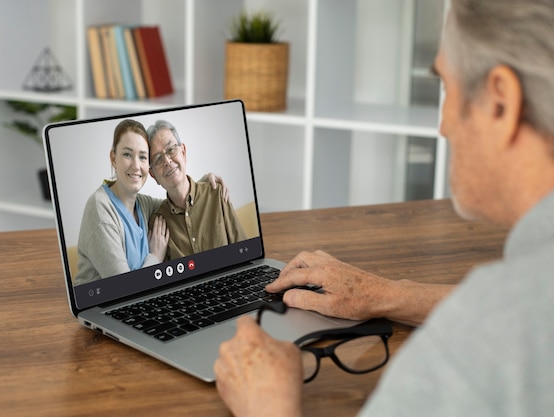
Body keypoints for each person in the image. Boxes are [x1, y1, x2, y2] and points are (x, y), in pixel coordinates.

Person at [214, 0, 554, 416]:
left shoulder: (478, 342)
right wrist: (388, 295)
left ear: (501, 102)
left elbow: (501, 316)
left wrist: (266, 404)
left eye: (446, 85)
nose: (443, 125)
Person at [75, 119, 227, 286]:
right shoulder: (100, 209)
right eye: (127, 154)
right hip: (103, 306)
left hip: (143, 302)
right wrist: (154, 257)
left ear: (149, 168)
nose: (136, 165)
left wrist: (201, 186)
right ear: (113, 158)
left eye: (143, 157)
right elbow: (124, 289)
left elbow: (177, 202)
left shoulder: (143, 205)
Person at [147, 120, 247, 261]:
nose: (167, 161)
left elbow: (244, 251)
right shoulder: (158, 223)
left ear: (183, 152)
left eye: (171, 150)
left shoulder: (216, 194)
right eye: (158, 159)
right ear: (153, 175)